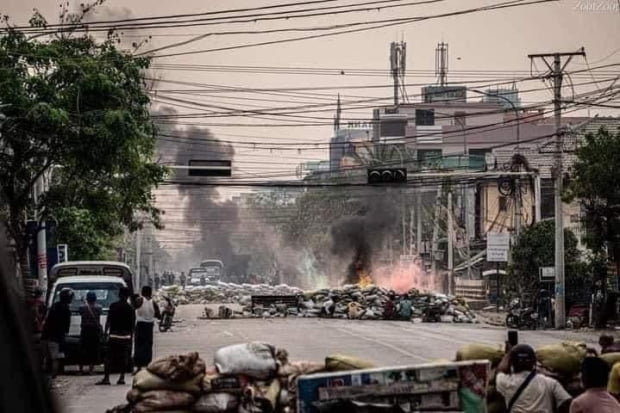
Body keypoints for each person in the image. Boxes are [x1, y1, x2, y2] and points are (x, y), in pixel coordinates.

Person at [496, 343, 572, 413]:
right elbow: (567, 402)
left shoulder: (506, 382)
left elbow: (499, 370)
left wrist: (509, 354)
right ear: (533, 362)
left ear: (512, 363)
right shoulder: (550, 382)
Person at [97, 287, 135, 386]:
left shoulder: (113, 306)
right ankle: (121, 378)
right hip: (125, 336)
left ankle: (106, 378)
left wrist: (105, 333)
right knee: (124, 357)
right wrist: (131, 337)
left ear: (119, 295)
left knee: (108, 358)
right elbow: (132, 325)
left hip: (113, 335)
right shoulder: (130, 308)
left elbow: (108, 321)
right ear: (127, 296)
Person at [41, 288, 73, 379]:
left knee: (45, 357)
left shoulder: (54, 306)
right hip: (57, 337)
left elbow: (47, 320)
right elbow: (66, 326)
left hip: (46, 335)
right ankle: (53, 376)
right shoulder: (66, 309)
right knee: (56, 358)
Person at [132, 286, 161, 371]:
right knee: (148, 346)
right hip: (149, 326)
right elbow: (158, 315)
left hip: (140, 325)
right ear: (150, 292)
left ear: (142, 292)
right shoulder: (154, 303)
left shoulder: (139, 300)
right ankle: (147, 364)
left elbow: (133, 307)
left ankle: (138, 366)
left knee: (139, 345)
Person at [78, 291, 102, 375]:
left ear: (87, 298)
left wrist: (84, 302)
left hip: (84, 330)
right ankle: (91, 370)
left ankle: (80, 370)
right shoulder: (99, 307)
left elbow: (81, 311)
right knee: (93, 350)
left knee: (83, 350)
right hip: (94, 331)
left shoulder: (82, 307)